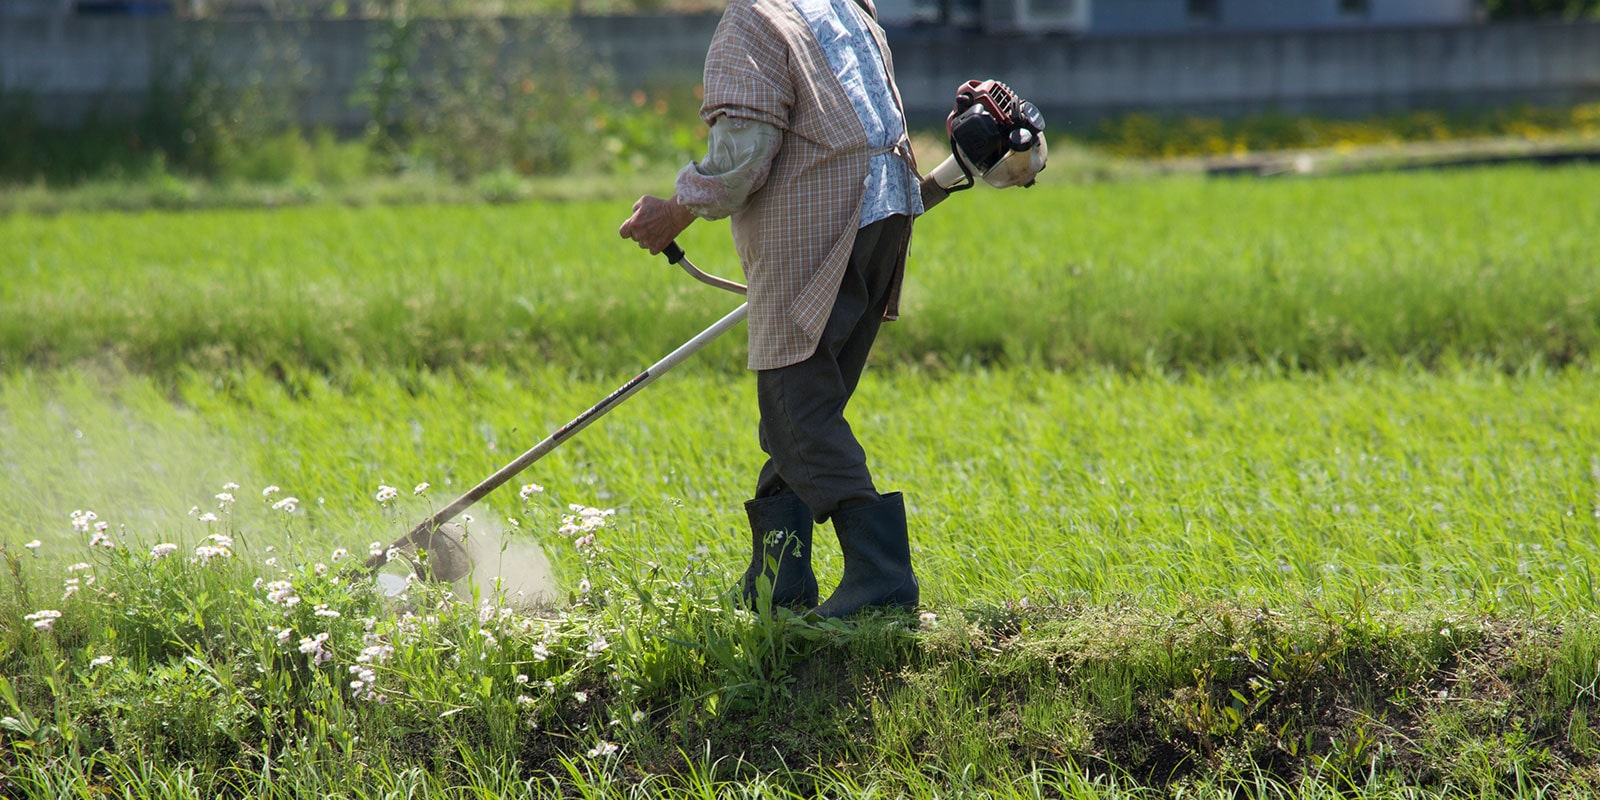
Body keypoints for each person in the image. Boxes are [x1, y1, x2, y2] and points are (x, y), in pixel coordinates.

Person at [618, 0, 946, 618]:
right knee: (805, 409)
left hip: (820, 227)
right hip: (883, 220)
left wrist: (675, 210)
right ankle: (778, 578)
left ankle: (881, 580)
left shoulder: (754, 20)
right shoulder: (847, 5)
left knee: (796, 411)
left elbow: (744, 151)